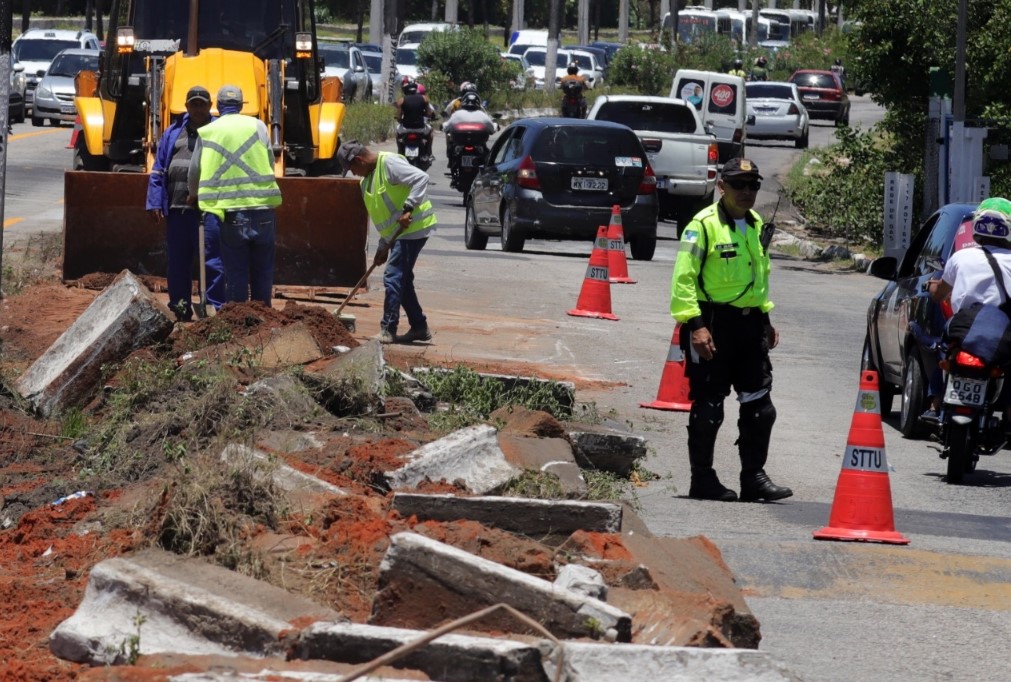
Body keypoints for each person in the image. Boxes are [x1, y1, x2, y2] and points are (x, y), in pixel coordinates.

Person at [670, 157, 792, 503]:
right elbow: (683, 279)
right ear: (721, 186)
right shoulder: (703, 226)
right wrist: (695, 326)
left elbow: (756, 277)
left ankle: (753, 478)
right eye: (738, 184)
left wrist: (764, 319)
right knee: (709, 406)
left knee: (760, 406)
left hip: (749, 325)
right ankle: (703, 480)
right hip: (712, 324)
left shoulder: (754, 223)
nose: (747, 192)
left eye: (753, 185)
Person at [188, 84, 282, 306]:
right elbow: (269, 161)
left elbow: (195, 171)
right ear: (240, 105)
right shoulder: (259, 126)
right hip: (263, 210)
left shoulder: (209, 130)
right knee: (263, 270)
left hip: (232, 214)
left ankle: (240, 324)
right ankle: (263, 318)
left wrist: (193, 194)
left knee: (236, 271)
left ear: (218, 106)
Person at [337, 140, 437, 344]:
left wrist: (408, 208)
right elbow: (386, 219)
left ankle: (388, 329)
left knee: (393, 276)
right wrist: (383, 246)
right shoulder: (366, 182)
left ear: (359, 160)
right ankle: (419, 326)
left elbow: (421, 177)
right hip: (397, 234)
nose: (353, 173)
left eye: (352, 168)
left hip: (413, 228)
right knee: (403, 279)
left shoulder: (389, 164)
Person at [146, 85, 225, 321]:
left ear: (210, 106)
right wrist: (154, 202)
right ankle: (180, 307)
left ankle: (214, 308)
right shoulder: (173, 132)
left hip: (208, 210)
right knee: (178, 261)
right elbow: (159, 170)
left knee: (212, 259)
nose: (198, 108)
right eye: (194, 104)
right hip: (178, 210)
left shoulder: (217, 131)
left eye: (202, 103)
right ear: (187, 106)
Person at [927, 199, 1011, 421]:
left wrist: (931, 287)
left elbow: (939, 294)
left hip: (961, 330)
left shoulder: (960, 257)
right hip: (1002, 334)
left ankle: (935, 400)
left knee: (940, 348)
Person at [444, 92, 496, 189]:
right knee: (488, 158)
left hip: (462, 147)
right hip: (476, 146)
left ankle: (455, 176)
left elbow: (446, 127)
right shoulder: (482, 115)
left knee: (451, 152)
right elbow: (492, 128)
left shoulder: (457, 114)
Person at [395, 76, 435, 163]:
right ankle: (428, 153)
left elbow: (398, 116)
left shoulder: (401, 100)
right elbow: (428, 113)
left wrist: (400, 120)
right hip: (420, 128)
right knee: (431, 132)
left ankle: (400, 151)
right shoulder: (424, 98)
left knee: (397, 134)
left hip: (406, 128)